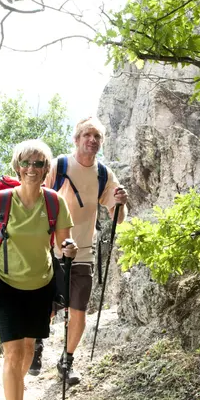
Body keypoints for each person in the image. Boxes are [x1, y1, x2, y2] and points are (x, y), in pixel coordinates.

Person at [0, 139, 76, 400]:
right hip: (4, 285)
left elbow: (63, 244)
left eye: (38, 164)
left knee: (27, 348)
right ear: (17, 167)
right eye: (26, 163)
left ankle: (14, 388)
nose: (32, 169)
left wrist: (68, 249)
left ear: (47, 169)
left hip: (40, 285)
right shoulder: (3, 201)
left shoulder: (54, 203)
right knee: (12, 351)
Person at [29, 117, 127, 384]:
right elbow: (35, 198)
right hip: (50, 250)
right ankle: (37, 346)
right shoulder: (60, 166)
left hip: (84, 251)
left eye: (97, 137)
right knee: (46, 307)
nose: (92, 140)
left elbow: (118, 217)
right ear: (76, 139)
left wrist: (120, 202)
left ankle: (67, 361)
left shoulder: (103, 174)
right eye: (87, 135)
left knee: (79, 311)